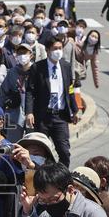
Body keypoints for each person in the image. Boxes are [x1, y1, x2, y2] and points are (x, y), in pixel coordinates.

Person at [25, 36, 78, 166]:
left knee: (64, 151)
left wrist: (75, 110)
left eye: (60, 48)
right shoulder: (38, 68)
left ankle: (61, 178)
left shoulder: (65, 66)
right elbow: (30, 91)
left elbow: (70, 90)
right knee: (41, 151)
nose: (58, 51)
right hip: (43, 116)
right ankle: (42, 178)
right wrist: (29, 112)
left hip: (60, 116)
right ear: (48, 50)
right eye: (55, 49)